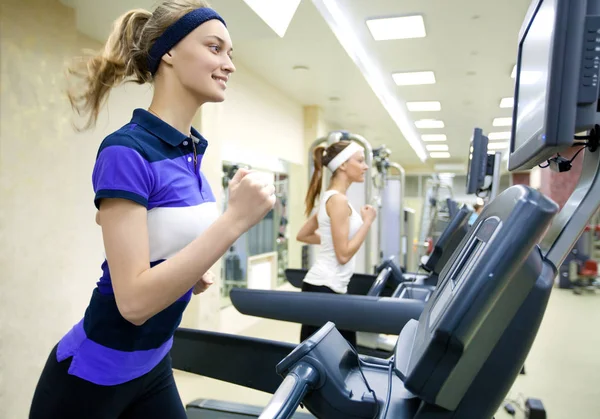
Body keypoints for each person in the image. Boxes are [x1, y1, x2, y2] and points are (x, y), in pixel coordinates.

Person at [29, 2, 276, 418]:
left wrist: (186, 274)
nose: (228, 64)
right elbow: (133, 303)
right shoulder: (127, 150)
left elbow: (160, 250)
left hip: (153, 363)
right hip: (92, 376)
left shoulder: (191, 153)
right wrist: (235, 220)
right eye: (215, 48)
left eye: (230, 54)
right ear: (169, 52)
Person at [296, 141, 377, 347]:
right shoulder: (338, 201)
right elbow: (343, 255)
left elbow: (303, 235)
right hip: (325, 286)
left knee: (342, 352)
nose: (365, 166)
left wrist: (333, 241)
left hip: (330, 286)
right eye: (360, 161)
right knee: (331, 353)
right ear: (342, 165)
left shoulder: (330, 198)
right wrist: (367, 223)